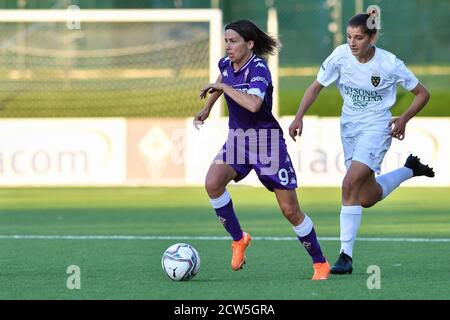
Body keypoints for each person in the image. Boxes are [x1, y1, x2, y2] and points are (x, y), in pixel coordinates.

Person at [288, 12, 435, 275]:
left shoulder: (389, 63)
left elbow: (423, 93)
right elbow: (315, 87)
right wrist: (299, 116)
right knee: (366, 197)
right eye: (349, 37)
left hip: (377, 128)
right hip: (349, 128)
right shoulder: (340, 56)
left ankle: (346, 256)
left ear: (373, 37)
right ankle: (409, 169)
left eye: (359, 38)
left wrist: (404, 119)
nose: (352, 43)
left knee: (348, 184)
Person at [193, 19, 330, 280]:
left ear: (250, 44)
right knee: (212, 183)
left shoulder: (259, 69)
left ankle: (320, 263)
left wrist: (223, 87)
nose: (228, 46)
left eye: (233, 41)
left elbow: (254, 104)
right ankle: (238, 239)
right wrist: (208, 107)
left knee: (290, 210)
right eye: (226, 41)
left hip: (266, 143)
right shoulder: (226, 63)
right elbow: (223, 77)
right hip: (238, 140)